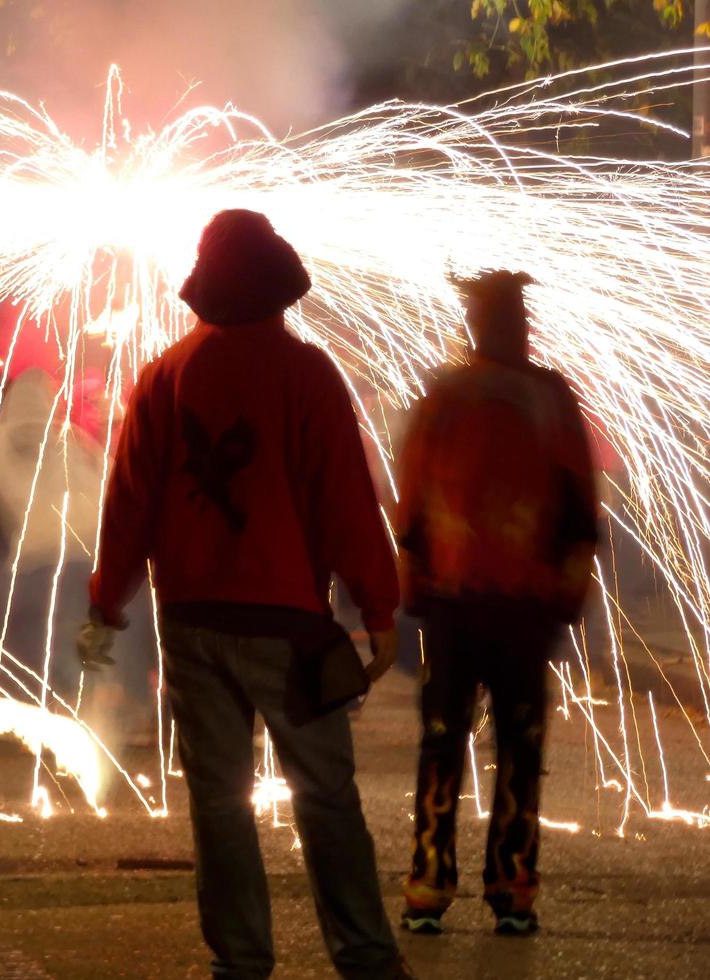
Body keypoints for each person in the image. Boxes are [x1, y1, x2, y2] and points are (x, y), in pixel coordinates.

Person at [81, 210, 411, 979]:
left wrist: (107, 602)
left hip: (191, 620)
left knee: (219, 800)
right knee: (325, 794)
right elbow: (346, 502)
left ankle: (240, 961)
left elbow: (128, 502)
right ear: (278, 289)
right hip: (288, 623)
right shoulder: (309, 374)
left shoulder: (162, 376)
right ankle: (364, 958)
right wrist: (380, 607)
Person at [396, 270, 599, 937]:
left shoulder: (446, 395)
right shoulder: (550, 396)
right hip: (523, 605)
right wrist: (570, 588)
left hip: (459, 602)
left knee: (442, 742)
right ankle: (511, 887)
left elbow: (413, 502)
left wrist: (413, 582)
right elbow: (578, 506)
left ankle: (430, 884)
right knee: (517, 744)